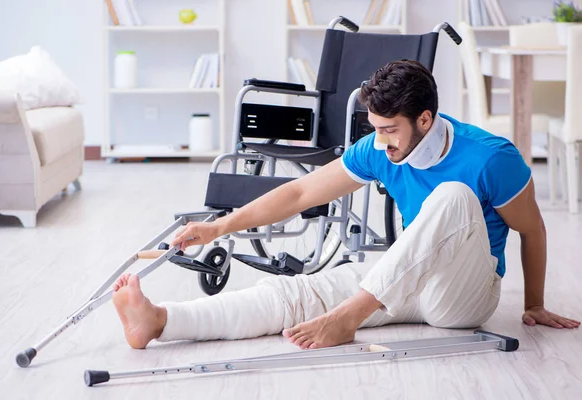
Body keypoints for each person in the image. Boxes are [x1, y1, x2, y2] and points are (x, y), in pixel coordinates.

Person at [111, 60, 580, 351]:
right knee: (298, 295)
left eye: (389, 129)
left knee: (453, 197)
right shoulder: (379, 147)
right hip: (404, 274)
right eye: (374, 128)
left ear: (425, 119)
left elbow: (532, 229)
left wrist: (535, 303)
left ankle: (347, 319)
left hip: (462, 295)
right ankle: (160, 322)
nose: (380, 141)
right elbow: (299, 193)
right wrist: (220, 227)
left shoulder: (491, 157)